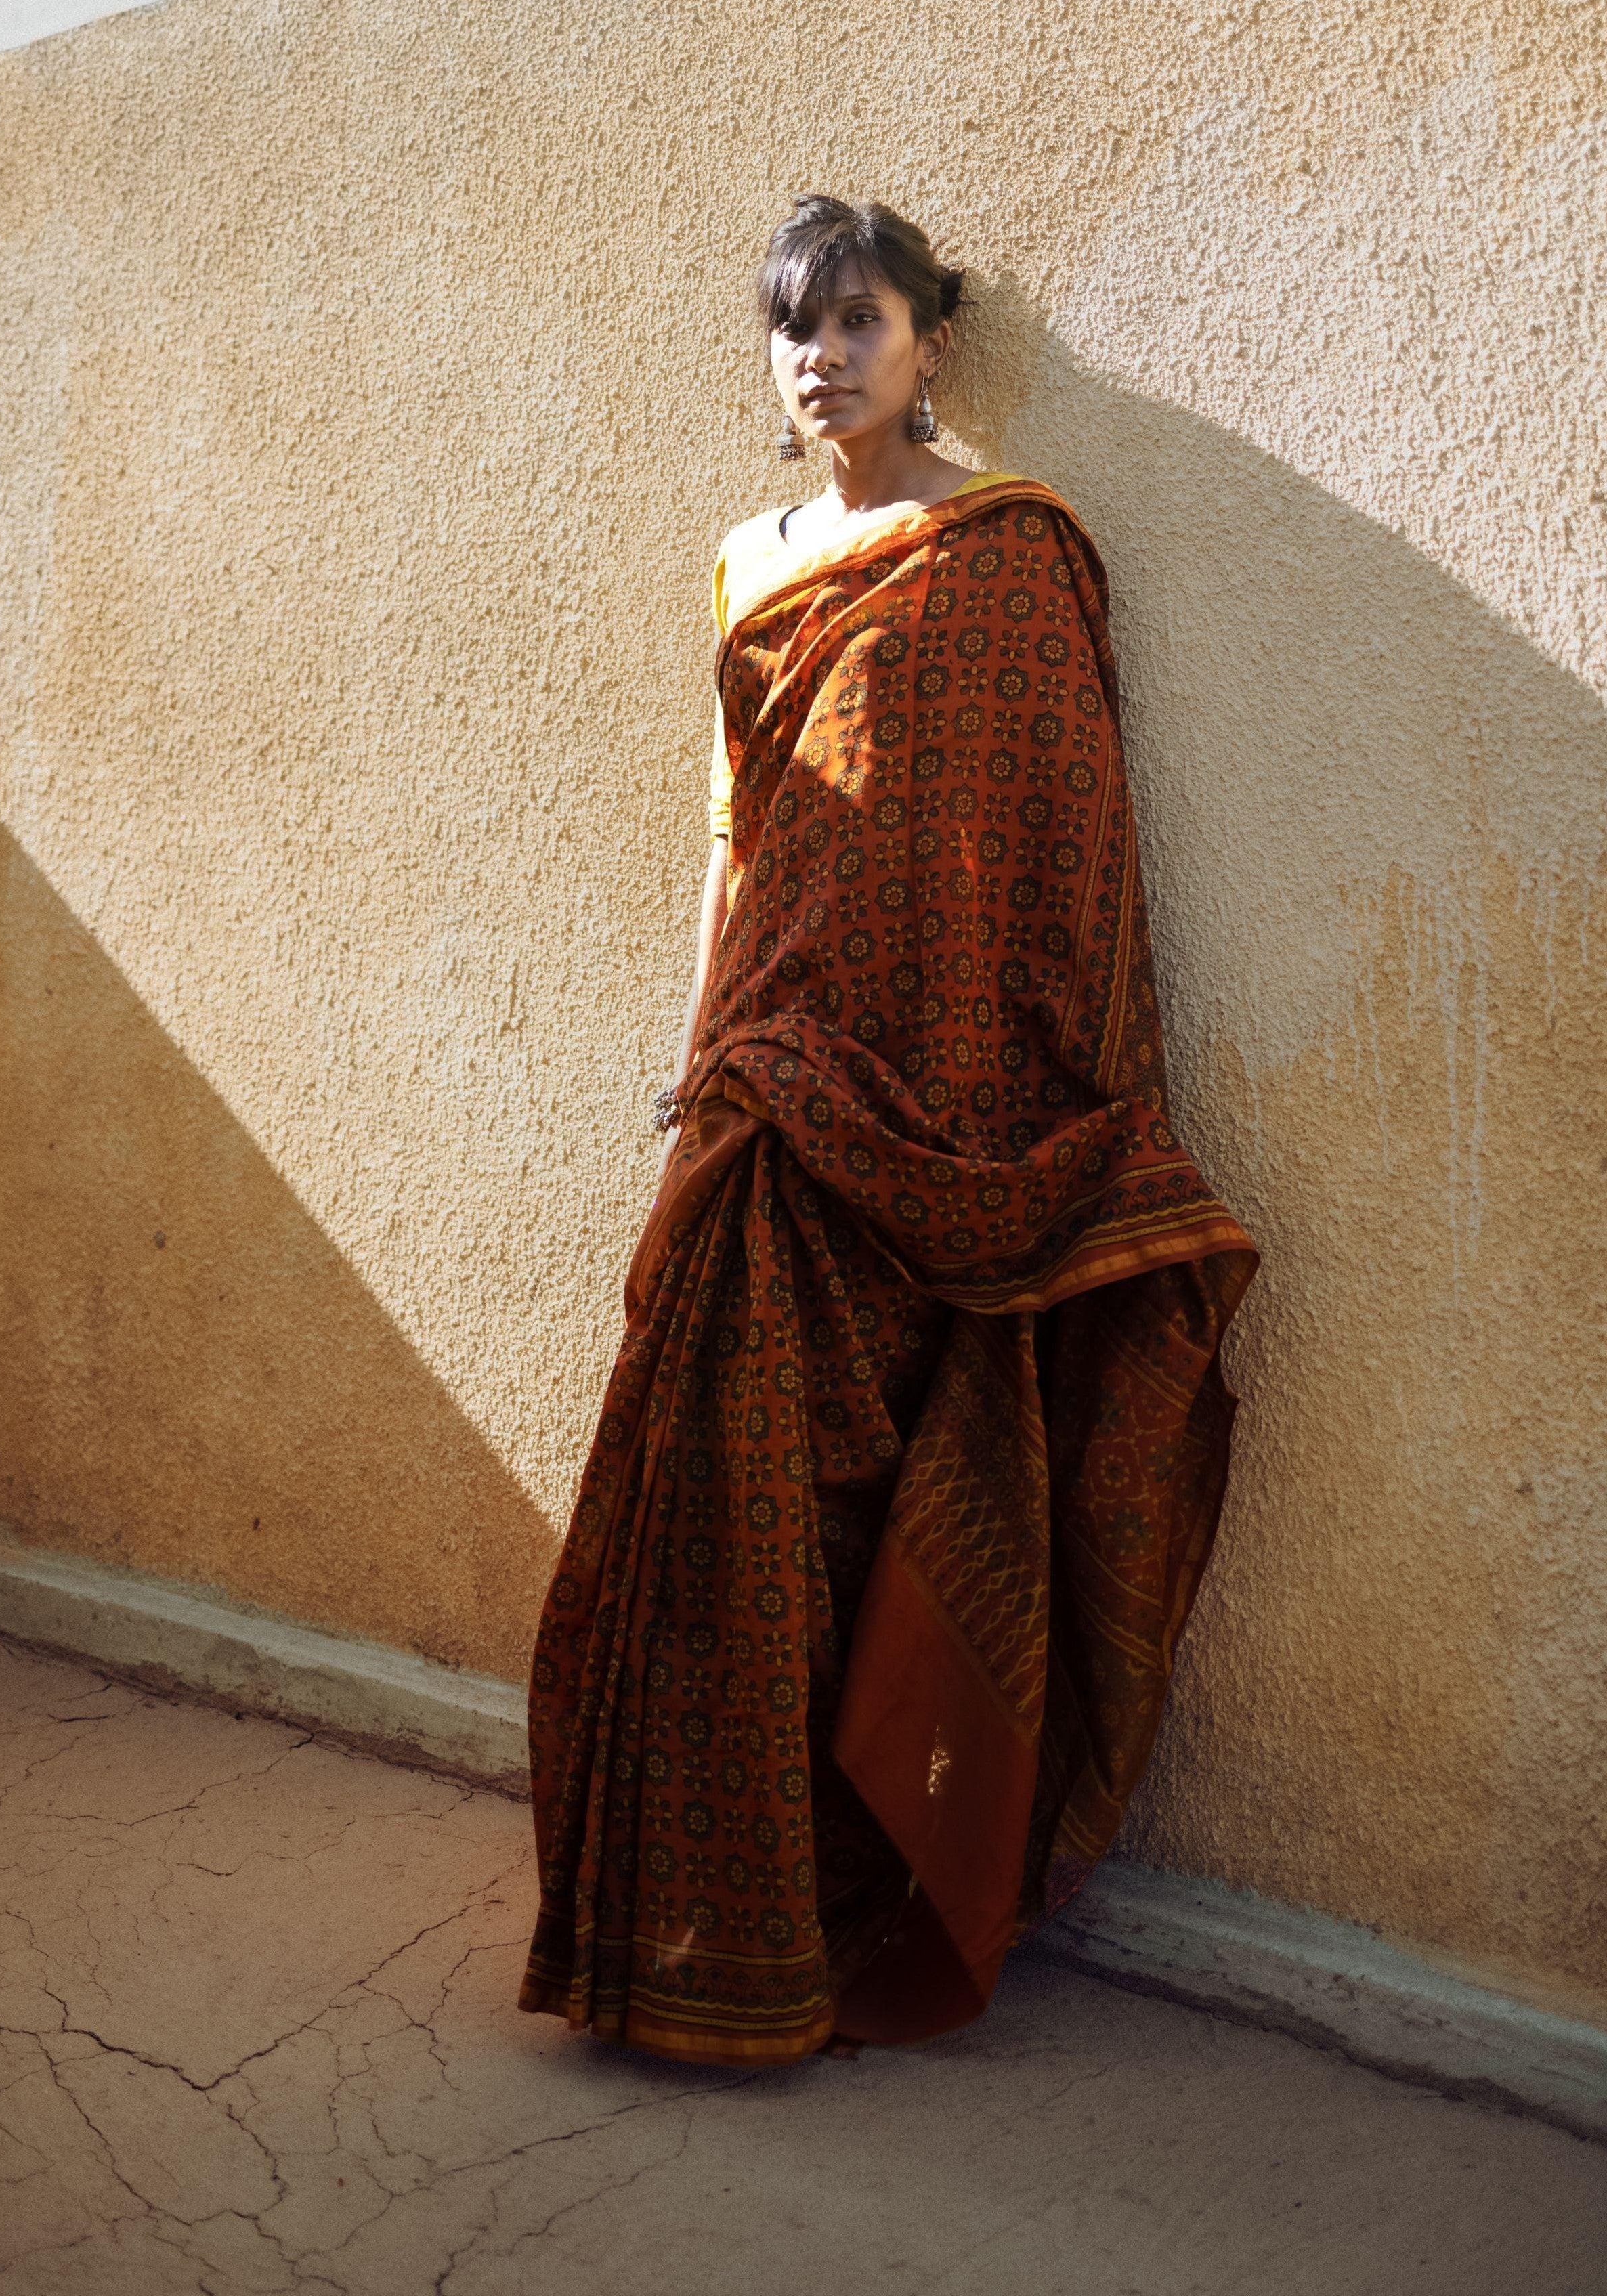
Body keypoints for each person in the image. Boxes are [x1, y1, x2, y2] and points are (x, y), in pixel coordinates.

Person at [519, 194, 1257, 2064]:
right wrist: (704, 1065)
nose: (821, 356)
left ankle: (868, 1910)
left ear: (928, 341)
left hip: (946, 1105)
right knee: (715, 1501)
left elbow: (1066, 853)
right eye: (794, 327)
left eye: (857, 321)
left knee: (886, 1509)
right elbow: (733, 835)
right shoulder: (749, 559)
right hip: (777, 1087)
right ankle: (692, 1928)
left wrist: (1027, 1096)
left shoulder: (1007, 548)